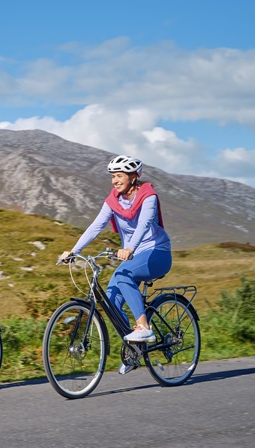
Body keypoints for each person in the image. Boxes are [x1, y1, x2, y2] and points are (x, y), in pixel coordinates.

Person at [59, 155, 172, 374]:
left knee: (122, 276)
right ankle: (134, 350)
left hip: (156, 252)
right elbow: (96, 226)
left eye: (119, 176)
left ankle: (144, 328)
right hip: (133, 257)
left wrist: (130, 247)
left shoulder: (148, 195)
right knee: (111, 301)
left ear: (133, 176)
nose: (115, 181)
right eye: (113, 176)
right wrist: (74, 250)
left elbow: (144, 223)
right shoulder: (114, 200)